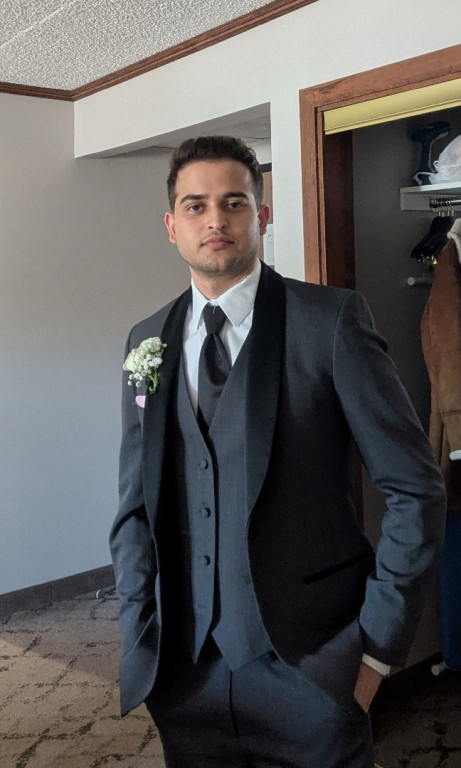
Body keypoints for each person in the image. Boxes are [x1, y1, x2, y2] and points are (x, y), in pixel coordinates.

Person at [110, 135, 446, 768]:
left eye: (234, 202)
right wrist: (139, 630)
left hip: (314, 671)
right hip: (186, 678)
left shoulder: (330, 321)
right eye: (195, 205)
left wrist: (375, 654)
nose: (215, 219)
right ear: (172, 226)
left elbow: (414, 489)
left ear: (262, 215)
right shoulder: (146, 340)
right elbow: (134, 505)